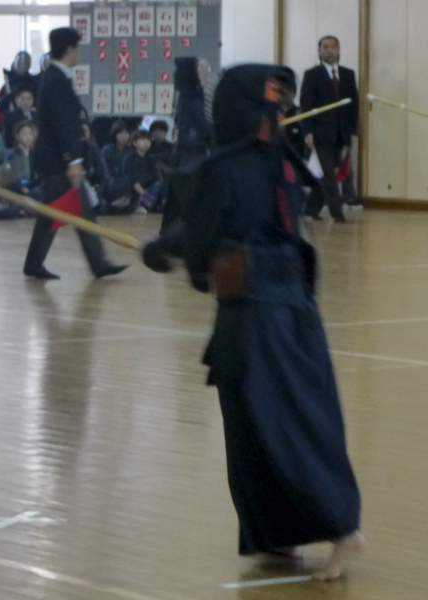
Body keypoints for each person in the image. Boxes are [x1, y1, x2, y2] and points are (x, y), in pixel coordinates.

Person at [168, 63, 364, 580]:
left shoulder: (224, 168)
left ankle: (342, 528)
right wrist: (174, 246)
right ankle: (279, 533)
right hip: (294, 309)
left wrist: (171, 251)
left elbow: (202, 242)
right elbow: (242, 222)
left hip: (255, 319)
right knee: (268, 423)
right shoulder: (281, 159)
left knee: (282, 424)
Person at [23, 27, 127, 280]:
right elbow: (64, 125)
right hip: (58, 160)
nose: (80, 52)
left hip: (55, 158)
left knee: (73, 209)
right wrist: (74, 160)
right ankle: (94, 263)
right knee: (58, 211)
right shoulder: (57, 80)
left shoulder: (54, 77)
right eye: (78, 48)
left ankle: (96, 263)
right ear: (70, 49)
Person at [300, 35, 359, 222]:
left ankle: (310, 209)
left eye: (333, 47)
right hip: (321, 133)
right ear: (320, 51)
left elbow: (354, 105)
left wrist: (354, 132)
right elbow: (306, 105)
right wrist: (308, 132)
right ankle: (337, 212)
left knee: (328, 174)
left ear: (339, 50)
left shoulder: (348, 74)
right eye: (325, 47)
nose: (329, 50)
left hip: (342, 134)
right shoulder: (312, 75)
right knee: (328, 175)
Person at [173, 57, 212, 168]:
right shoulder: (192, 96)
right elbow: (202, 122)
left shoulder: (183, 94)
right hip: (195, 145)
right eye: (200, 70)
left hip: (186, 143)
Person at [122, 130, 162, 214]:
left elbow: (157, 177)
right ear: (135, 143)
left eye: (148, 140)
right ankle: (142, 205)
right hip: (134, 191)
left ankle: (146, 205)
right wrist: (143, 193)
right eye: (142, 140)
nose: (146, 143)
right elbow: (130, 179)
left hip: (149, 190)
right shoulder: (129, 158)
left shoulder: (151, 160)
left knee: (159, 184)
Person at [99, 119, 133, 213]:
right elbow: (104, 170)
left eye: (126, 133)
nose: (124, 136)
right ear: (115, 134)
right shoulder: (107, 150)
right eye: (120, 133)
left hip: (126, 183)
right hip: (110, 182)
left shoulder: (131, 151)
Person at [5, 119, 39, 196]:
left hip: (34, 187)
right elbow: (11, 177)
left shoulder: (35, 154)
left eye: (30, 134)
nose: (28, 137)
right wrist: (22, 187)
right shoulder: (12, 155)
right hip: (18, 189)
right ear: (17, 136)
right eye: (24, 134)